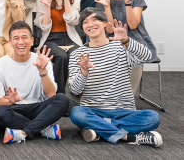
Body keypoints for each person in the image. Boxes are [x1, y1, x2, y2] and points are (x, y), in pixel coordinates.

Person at [69, 8, 162, 147]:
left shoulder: (121, 47)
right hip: (93, 110)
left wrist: (126, 40)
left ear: (105, 23)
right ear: (82, 28)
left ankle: (100, 129)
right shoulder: (77, 54)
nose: (90, 24)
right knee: (77, 113)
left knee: (153, 117)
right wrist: (84, 71)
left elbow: (147, 56)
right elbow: (75, 90)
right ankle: (129, 137)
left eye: (95, 20)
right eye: (85, 22)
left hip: (123, 110)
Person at [0, 21, 69, 144]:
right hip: (14, 109)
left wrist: (42, 71)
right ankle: (42, 128)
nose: (20, 42)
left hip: (37, 108)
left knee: (62, 99)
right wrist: (11, 101)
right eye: (16, 38)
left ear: (32, 41)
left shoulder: (41, 60)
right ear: (10, 42)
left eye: (24, 37)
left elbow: (51, 94)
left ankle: (23, 132)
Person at [95, 0, 158, 94]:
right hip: (112, 41)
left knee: (133, 57)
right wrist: (106, 6)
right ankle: (112, 96)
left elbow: (133, 25)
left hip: (134, 39)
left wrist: (127, 2)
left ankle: (129, 96)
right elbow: (109, 30)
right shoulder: (103, 0)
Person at [35, 0, 81, 94]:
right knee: (61, 57)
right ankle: (60, 95)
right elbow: (44, 26)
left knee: (77, 54)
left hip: (70, 37)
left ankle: (78, 93)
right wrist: (48, 7)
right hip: (51, 39)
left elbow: (73, 20)